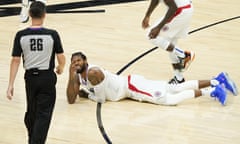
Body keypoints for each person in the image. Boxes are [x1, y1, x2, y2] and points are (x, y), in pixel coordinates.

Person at [66, 51, 238, 106]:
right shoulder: (78, 75)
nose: (76, 63)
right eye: (73, 62)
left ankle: (212, 91)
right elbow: (70, 99)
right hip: (131, 83)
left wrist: (87, 95)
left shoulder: (93, 73)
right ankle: (218, 79)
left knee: (169, 100)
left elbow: (102, 99)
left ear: (86, 61)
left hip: (131, 87)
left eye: (78, 60)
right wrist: (70, 76)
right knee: (175, 88)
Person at [7, 1, 65, 144]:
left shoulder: (21, 35)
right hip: (47, 78)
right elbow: (61, 57)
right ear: (45, 15)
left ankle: (32, 140)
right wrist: (61, 67)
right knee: (43, 114)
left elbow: (15, 60)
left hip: (30, 79)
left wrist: (10, 85)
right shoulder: (52, 34)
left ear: (29, 14)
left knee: (32, 113)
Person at [142, 0, 194, 84]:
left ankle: (184, 55)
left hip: (180, 11)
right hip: (186, 9)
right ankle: (179, 78)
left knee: (151, 35)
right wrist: (147, 15)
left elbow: (173, 8)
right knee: (171, 45)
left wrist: (158, 27)